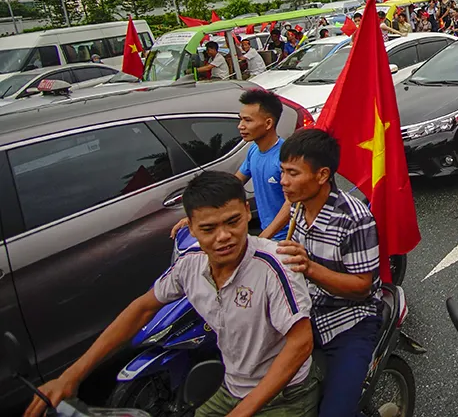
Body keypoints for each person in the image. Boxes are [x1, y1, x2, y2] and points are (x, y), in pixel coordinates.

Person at [25, 171, 318, 417]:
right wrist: (70, 376)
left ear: (245, 212)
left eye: (232, 222)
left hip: (285, 396)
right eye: (208, 228)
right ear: (189, 227)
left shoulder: (275, 266)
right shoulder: (189, 264)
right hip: (233, 387)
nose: (224, 237)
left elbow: (300, 343)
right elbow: (141, 309)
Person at [275, 129, 381, 417]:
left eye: (293, 173)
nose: (284, 182)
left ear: (322, 175)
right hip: (304, 314)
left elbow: (362, 286)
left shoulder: (354, 219)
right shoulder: (299, 203)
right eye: (283, 172)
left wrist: (309, 267)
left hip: (349, 321)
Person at [171, 89, 291, 241]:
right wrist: (193, 219)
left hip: (286, 239)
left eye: (248, 121)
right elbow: (231, 186)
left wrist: (263, 240)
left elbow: (290, 204)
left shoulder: (284, 158)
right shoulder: (254, 149)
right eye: (241, 120)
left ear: (268, 123)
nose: (240, 126)